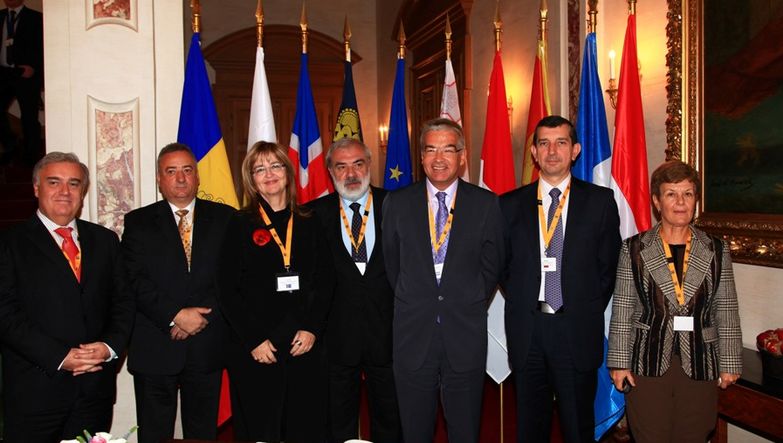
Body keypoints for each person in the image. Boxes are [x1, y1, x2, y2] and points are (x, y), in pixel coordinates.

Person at [382, 118, 504, 443]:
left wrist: (467, 296)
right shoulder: (397, 203)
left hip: (464, 332)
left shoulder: (485, 204)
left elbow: (492, 266)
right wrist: (417, 296)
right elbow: (392, 265)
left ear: (462, 156)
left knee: (465, 431)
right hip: (413, 334)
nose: (439, 158)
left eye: (448, 149)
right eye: (430, 149)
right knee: (415, 431)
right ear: (421, 157)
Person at [500, 115, 621, 442]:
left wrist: (583, 305)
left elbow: (608, 267)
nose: (552, 151)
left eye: (561, 142)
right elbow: (503, 267)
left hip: (576, 330)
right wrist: (526, 298)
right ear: (535, 154)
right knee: (530, 427)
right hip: (529, 330)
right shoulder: (508, 205)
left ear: (576, 150)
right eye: (544, 143)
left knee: (578, 427)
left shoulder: (600, 202)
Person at [0, 152, 134, 442]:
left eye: (74, 184)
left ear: (82, 192)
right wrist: (60, 356)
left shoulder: (105, 240)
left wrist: (110, 347)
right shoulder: (9, 243)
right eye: (54, 182)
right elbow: (5, 315)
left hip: (94, 391)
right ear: (36, 188)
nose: (64, 191)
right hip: (35, 393)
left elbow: (123, 303)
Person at [607, 160, 742, 443]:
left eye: (688, 194)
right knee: (649, 435)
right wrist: (619, 363)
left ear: (695, 200)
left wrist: (730, 361)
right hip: (648, 361)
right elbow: (623, 309)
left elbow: (726, 309)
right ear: (657, 201)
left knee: (694, 434)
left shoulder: (716, 249)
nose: (680, 202)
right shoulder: (634, 248)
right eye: (671, 194)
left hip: (700, 362)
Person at [217, 141, 332, 442]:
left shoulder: (311, 220)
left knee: (305, 428)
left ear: (288, 172)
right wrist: (253, 339)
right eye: (259, 169)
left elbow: (326, 281)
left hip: (303, 345)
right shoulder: (239, 223)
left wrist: (312, 328)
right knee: (260, 429)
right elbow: (226, 289)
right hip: (258, 349)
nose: (269, 174)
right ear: (251, 180)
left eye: (275, 166)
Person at [121, 143, 235, 443]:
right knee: (155, 433)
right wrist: (175, 315)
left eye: (187, 170)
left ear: (197, 177)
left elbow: (233, 277)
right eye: (172, 171)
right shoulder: (138, 222)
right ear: (160, 179)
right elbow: (132, 280)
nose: (181, 178)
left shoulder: (226, 219)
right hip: (156, 346)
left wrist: (197, 317)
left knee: (202, 434)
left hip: (206, 344)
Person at [310, 137, 401, 443]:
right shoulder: (311, 216)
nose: (351, 174)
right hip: (335, 338)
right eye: (341, 166)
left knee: (391, 419)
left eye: (358, 164)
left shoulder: (397, 206)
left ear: (369, 166)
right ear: (330, 171)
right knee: (336, 421)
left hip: (388, 333)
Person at [0, 0, 43, 165]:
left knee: (29, 115)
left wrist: (35, 68)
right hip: (3, 73)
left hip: (26, 73)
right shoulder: (1, 16)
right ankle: (10, 145)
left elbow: (44, 47)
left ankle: (32, 154)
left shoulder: (36, 18)